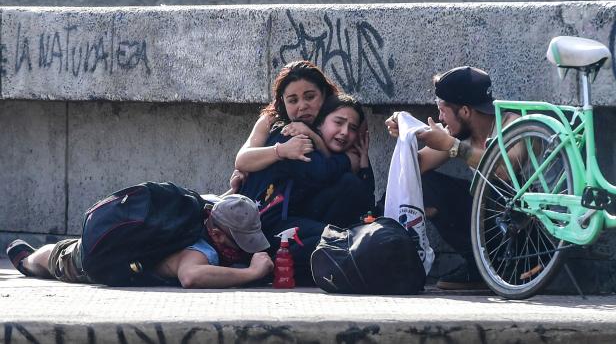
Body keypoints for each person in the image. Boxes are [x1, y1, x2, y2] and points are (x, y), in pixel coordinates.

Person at [384, 66, 517, 290]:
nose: (439, 117)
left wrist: (452, 146)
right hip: (487, 223)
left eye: (442, 110)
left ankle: (501, 264)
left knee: (490, 190)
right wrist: (406, 130)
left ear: (465, 111)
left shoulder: (512, 125)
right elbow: (415, 167)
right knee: (427, 188)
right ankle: (477, 263)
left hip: (522, 230)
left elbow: (504, 171)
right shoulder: (458, 134)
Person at [239, 94, 373, 284]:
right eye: (338, 122)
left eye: (352, 128)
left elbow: (366, 201)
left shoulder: (345, 156)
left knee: (349, 189)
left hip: (304, 227)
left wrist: (364, 162)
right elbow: (320, 171)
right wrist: (342, 158)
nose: (344, 132)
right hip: (270, 230)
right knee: (333, 241)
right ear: (320, 123)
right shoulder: (298, 141)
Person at [6, 194, 274, 288]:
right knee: (61, 257)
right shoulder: (203, 250)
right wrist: (251, 273)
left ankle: (35, 258)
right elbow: (191, 276)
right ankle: (29, 261)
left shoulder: (205, 210)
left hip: (129, 247)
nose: (242, 250)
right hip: (103, 259)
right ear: (216, 234)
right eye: (239, 242)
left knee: (69, 249)